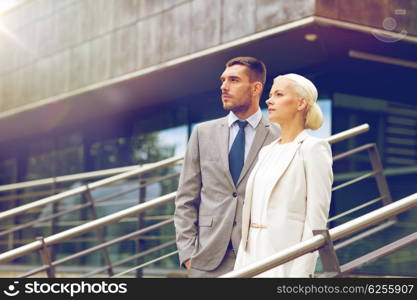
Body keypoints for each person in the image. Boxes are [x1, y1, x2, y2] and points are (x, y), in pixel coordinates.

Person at [174, 57, 280, 277]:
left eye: (233, 80)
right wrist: (187, 254)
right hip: (207, 258)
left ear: (256, 88)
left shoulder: (278, 135)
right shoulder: (203, 133)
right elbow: (186, 198)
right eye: (223, 80)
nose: (223, 86)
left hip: (260, 256)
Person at [233, 73, 333, 277]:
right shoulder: (266, 151)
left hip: (284, 258)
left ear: (300, 103)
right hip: (249, 255)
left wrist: (300, 272)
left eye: (278, 94)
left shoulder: (313, 149)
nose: (269, 100)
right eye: (270, 94)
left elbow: (316, 220)